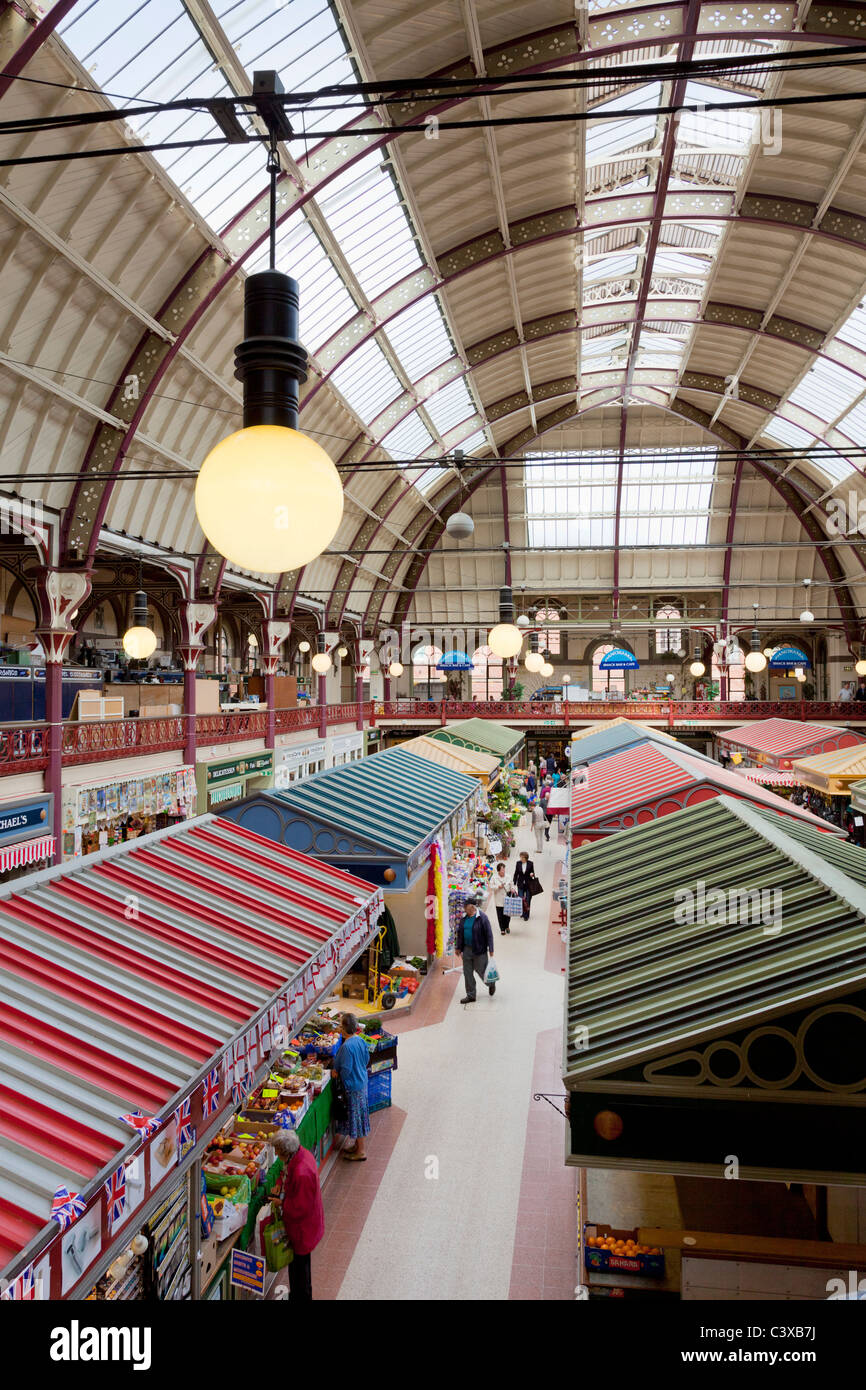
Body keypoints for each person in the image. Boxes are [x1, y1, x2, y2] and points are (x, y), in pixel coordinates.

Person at [271, 1130, 324, 1301]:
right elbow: (285, 1172)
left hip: (303, 1230)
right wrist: (279, 1184)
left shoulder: (302, 1172)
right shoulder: (299, 1155)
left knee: (301, 1270)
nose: (276, 1155)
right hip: (303, 1228)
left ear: (285, 1152)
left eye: (277, 1152)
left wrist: (281, 1204)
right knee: (297, 1267)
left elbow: (300, 1207)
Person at [331, 1013, 371, 1161]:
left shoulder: (347, 1047)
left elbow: (346, 1069)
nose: (339, 1028)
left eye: (341, 1025)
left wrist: (337, 1073)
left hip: (353, 1087)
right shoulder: (360, 1041)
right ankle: (356, 1146)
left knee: (357, 1118)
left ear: (344, 1028)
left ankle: (361, 1151)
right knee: (360, 1115)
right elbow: (366, 1059)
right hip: (361, 1083)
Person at [456, 895, 496, 1003]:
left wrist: (491, 949)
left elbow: (489, 934)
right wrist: (458, 947)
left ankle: (491, 984)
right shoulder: (464, 919)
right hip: (467, 949)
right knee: (467, 973)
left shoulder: (482, 917)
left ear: (472, 907)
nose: (464, 909)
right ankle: (471, 995)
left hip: (479, 950)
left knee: (482, 972)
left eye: (466, 907)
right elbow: (460, 934)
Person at [513, 850, 540, 921]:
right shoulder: (518, 863)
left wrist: (532, 875)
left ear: (526, 858)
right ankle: (522, 912)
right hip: (520, 884)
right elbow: (516, 873)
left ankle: (526, 915)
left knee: (528, 900)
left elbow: (533, 873)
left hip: (529, 884)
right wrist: (514, 882)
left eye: (522, 857)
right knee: (521, 899)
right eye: (520, 857)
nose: (521, 859)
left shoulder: (530, 864)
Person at [488, 860, 510, 935]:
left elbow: (511, 884)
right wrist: (498, 886)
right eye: (502, 870)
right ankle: (502, 929)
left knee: (507, 915)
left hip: (507, 899)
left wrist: (512, 889)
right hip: (498, 899)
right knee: (500, 915)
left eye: (504, 869)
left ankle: (507, 926)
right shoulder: (494, 877)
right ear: (498, 871)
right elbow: (490, 886)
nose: (503, 871)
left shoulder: (508, 876)